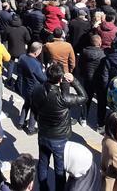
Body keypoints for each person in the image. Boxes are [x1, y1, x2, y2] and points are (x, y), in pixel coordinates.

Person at [31, 62, 87, 191]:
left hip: (43, 133)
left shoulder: (38, 89)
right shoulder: (63, 98)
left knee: (43, 163)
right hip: (59, 138)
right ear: (61, 79)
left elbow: (34, 107)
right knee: (59, 169)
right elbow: (84, 97)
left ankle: (43, 188)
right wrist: (74, 81)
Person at [17, 42, 46, 134]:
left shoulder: (22, 57)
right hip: (33, 89)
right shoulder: (36, 64)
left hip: (23, 86)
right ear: (36, 52)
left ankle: (21, 123)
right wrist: (45, 70)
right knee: (34, 108)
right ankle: (31, 128)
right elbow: (43, 79)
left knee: (26, 104)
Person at [79, 34, 104, 127]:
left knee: (87, 99)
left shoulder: (85, 51)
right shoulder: (103, 54)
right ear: (100, 43)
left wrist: (82, 73)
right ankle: (100, 122)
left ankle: (83, 118)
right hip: (99, 79)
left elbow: (81, 64)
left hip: (88, 78)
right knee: (101, 101)